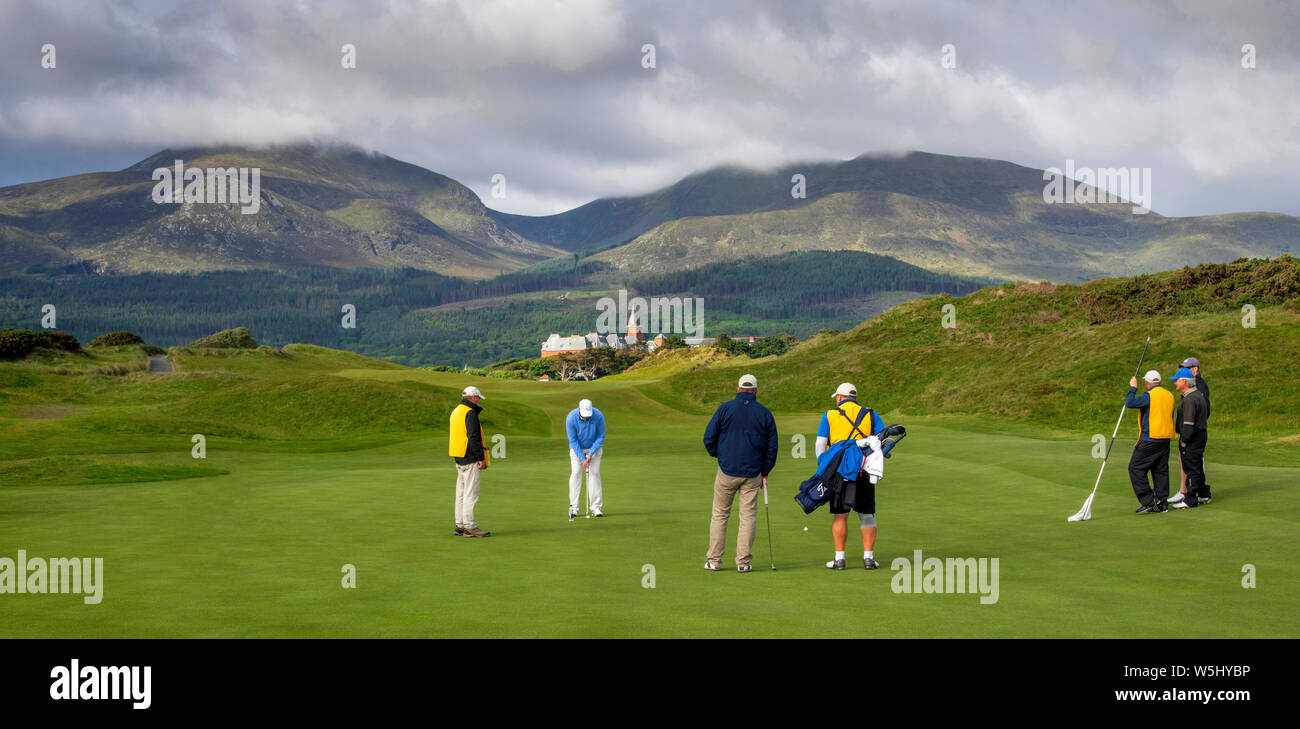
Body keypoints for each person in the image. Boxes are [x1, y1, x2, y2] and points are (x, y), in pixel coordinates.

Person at [702, 374, 778, 573]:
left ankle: (714, 561)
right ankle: (743, 562)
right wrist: (765, 471)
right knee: (748, 517)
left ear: (738, 389)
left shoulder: (725, 408)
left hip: (726, 470)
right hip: (753, 473)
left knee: (720, 515)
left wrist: (720, 455)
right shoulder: (764, 413)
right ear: (756, 391)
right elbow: (772, 447)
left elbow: (709, 437)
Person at [817, 382, 886, 570]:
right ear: (854, 397)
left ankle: (839, 559)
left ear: (839, 397)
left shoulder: (829, 415)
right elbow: (882, 441)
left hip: (839, 470)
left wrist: (824, 468)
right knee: (867, 514)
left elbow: (820, 446)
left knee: (840, 515)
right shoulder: (871, 414)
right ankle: (869, 559)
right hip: (864, 469)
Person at [1125, 370, 1175, 514]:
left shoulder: (1149, 396)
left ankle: (1148, 501)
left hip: (1150, 438)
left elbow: (1130, 403)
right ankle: (1162, 503)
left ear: (1147, 383)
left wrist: (1133, 387)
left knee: (1135, 467)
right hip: (1165, 438)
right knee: (1160, 470)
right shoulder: (1169, 395)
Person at [449, 386, 491, 537]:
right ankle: (469, 526)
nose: (479, 400)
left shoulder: (456, 411)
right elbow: (473, 437)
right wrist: (480, 458)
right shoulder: (470, 412)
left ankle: (459, 525)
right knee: (470, 494)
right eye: (478, 397)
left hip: (459, 456)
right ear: (472, 397)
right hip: (471, 457)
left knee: (460, 493)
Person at [1171, 357, 1212, 505]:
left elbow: (1188, 422)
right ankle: (1203, 493)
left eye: (1177, 380)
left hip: (1194, 435)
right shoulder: (1194, 394)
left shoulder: (1191, 396)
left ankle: (1190, 498)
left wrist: (1184, 440)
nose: (1175, 382)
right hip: (1199, 433)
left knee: (1191, 467)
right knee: (1196, 467)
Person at [566, 398, 606, 519]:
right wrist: (582, 459)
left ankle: (596, 508)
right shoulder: (571, 418)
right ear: (579, 409)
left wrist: (590, 454)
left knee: (594, 474)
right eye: (584, 415)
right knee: (576, 473)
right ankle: (574, 507)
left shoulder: (598, 415)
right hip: (577, 449)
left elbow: (601, 435)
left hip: (594, 448)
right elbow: (573, 441)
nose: (587, 417)